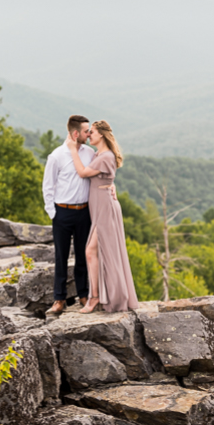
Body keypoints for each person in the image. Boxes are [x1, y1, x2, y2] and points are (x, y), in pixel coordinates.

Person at [66, 119, 139, 313]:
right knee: (101, 251)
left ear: (102, 135)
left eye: (92, 132)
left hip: (105, 208)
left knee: (91, 251)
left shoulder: (105, 156)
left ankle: (95, 298)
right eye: (88, 132)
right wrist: (111, 184)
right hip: (101, 206)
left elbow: (82, 173)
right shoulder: (100, 154)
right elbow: (105, 179)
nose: (89, 134)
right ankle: (103, 295)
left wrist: (72, 149)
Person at [43, 115, 95, 316]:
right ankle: (59, 299)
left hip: (84, 212)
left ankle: (83, 295)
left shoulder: (90, 153)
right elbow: (48, 185)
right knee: (61, 256)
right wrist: (53, 214)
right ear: (76, 133)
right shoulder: (56, 156)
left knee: (84, 256)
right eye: (86, 131)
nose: (88, 134)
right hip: (62, 212)